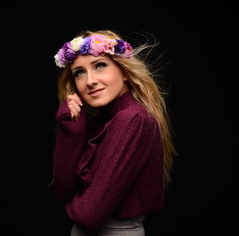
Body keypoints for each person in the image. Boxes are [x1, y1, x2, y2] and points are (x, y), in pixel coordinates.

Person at [51, 29, 177, 236]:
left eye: (100, 65)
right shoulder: (101, 122)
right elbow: (64, 190)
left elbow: (89, 215)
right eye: (79, 73)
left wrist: (78, 203)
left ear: (125, 72)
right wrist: (70, 129)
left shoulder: (132, 120)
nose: (89, 81)